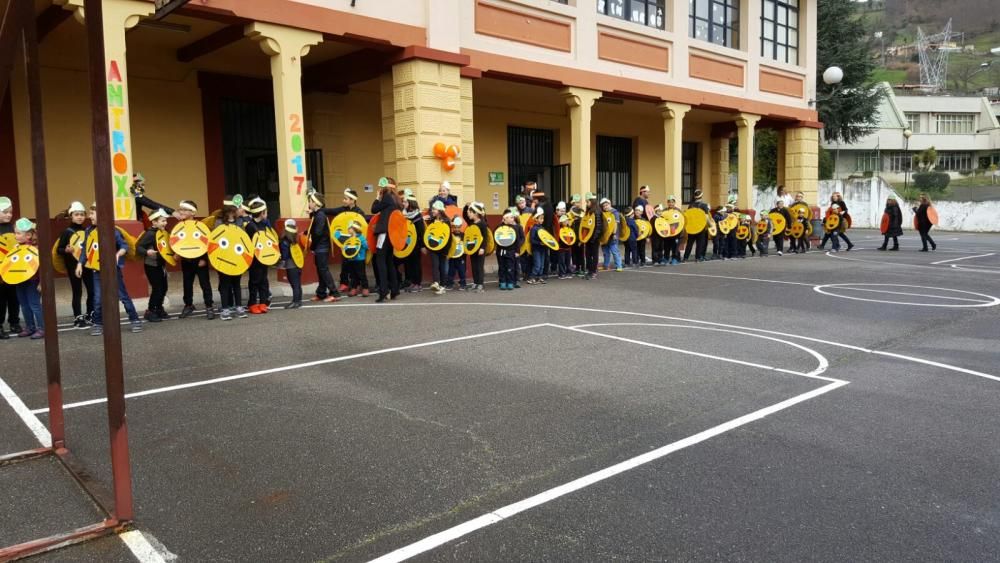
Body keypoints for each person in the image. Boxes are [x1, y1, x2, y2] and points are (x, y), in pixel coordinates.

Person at [76, 203, 143, 335]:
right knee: (98, 298)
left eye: (92, 214)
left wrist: (119, 253)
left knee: (123, 296)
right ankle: (97, 323)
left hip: (113, 270)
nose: (89, 216)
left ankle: (135, 320)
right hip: (96, 270)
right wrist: (80, 264)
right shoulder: (89, 231)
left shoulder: (112, 230)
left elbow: (124, 245)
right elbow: (85, 249)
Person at [175, 200, 216, 320]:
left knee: (205, 284)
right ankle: (188, 305)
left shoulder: (200, 226)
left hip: (199, 260)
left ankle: (209, 306)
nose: (181, 211)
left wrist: (204, 259)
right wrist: (177, 253)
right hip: (186, 260)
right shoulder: (180, 226)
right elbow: (178, 241)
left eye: (184, 209)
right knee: (187, 284)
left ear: (192, 212)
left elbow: (207, 242)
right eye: (180, 209)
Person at [57, 201, 93, 327]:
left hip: (87, 265)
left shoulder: (87, 231)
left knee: (92, 290)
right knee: (77, 291)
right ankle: (78, 317)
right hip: (73, 266)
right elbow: (59, 249)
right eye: (77, 214)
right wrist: (66, 250)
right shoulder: (67, 232)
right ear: (71, 216)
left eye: (82, 214)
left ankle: (90, 314)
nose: (80, 217)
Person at [320, 188, 362, 294]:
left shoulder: (359, 212)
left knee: (355, 265)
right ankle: (344, 283)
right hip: (344, 242)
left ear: (352, 200)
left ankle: (356, 284)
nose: (344, 201)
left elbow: (362, 227)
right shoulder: (343, 209)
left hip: (355, 242)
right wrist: (318, 210)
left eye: (346, 199)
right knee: (345, 263)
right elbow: (330, 211)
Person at [212, 201, 246, 321]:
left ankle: (239, 307)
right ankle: (225, 309)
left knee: (237, 284)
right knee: (225, 285)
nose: (235, 212)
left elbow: (244, 239)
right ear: (228, 211)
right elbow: (215, 239)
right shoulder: (219, 222)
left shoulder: (239, 222)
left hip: (237, 257)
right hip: (224, 257)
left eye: (235, 210)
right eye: (233, 210)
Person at [135, 208, 170, 322]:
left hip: (161, 265)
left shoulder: (163, 233)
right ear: (154, 222)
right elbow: (139, 247)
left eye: (165, 220)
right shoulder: (149, 234)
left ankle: (159, 308)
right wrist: (147, 252)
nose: (165, 223)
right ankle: (150, 311)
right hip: (152, 265)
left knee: (164, 288)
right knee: (157, 288)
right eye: (162, 221)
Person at [306, 191, 342, 303]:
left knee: (324, 270)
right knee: (321, 270)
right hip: (320, 247)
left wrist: (312, 246)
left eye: (311, 201)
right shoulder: (318, 214)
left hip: (321, 247)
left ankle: (334, 293)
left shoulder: (320, 215)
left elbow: (317, 233)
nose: (309, 203)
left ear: (315, 203)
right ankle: (321, 293)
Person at [370, 179, 402, 302]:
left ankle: (384, 291)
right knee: (389, 261)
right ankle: (394, 290)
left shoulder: (387, 197)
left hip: (384, 233)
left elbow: (374, 209)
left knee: (380, 261)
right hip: (392, 234)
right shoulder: (396, 199)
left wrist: (377, 198)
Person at [12, 218, 43, 339]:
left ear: (29, 235)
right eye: (15, 233)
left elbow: (41, 267)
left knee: (34, 305)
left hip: (32, 282)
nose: (16, 235)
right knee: (24, 305)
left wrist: (42, 282)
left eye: (18, 233)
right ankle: (30, 327)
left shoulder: (35, 249)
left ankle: (42, 328)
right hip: (20, 281)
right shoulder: (16, 248)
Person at [243, 197, 271, 314]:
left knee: (264, 280)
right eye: (265, 211)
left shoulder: (264, 225)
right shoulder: (250, 226)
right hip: (255, 259)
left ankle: (263, 302)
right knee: (254, 281)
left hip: (264, 258)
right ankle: (252, 303)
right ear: (261, 213)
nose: (267, 213)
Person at [0, 196, 22, 337]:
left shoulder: (15, 228)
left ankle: (14, 322)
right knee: (0, 300)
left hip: (14, 270)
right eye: (5, 212)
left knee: (14, 298)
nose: (9, 214)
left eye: (10, 212)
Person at [401, 192, 424, 292]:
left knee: (416, 264)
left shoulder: (417, 216)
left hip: (416, 245)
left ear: (410, 203)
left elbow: (421, 232)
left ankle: (418, 283)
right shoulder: (404, 214)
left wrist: (422, 246)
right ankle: (412, 282)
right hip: (407, 243)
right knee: (409, 264)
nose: (403, 203)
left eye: (405, 202)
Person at [426, 201, 450, 295]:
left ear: (440, 210)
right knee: (435, 265)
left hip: (443, 248)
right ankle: (436, 282)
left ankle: (443, 286)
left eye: (434, 209)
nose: (432, 211)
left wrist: (447, 250)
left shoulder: (446, 221)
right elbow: (428, 233)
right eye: (432, 209)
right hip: (433, 247)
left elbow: (448, 237)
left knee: (442, 267)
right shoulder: (432, 221)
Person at [496, 209, 523, 290]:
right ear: (505, 219)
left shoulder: (514, 228)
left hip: (511, 251)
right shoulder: (499, 227)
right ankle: (503, 282)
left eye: (513, 217)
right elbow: (496, 237)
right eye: (511, 217)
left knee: (510, 268)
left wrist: (517, 251)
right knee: (502, 267)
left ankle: (510, 282)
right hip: (501, 252)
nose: (512, 219)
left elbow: (518, 241)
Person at [278, 219, 302, 309]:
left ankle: (295, 302)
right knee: (297, 284)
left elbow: (285, 255)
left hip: (290, 265)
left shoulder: (284, 241)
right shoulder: (294, 239)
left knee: (294, 284)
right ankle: (298, 300)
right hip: (298, 264)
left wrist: (281, 263)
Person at [342, 221, 370, 296]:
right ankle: (354, 289)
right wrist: (344, 248)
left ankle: (365, 288)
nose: (348, 230)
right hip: (351, 259)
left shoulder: (361, 237)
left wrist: (363, 243)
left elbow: (367, 246)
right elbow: (346, 247)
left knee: (362, 274)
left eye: (349, 228)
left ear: (354, 229)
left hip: (360, 259)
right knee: (353, 275)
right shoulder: (349, 238)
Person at [683, 189, 710, 262]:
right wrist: (710, 225)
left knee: (690, 243)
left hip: (691, 228)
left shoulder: (690, 205)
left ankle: (685, 257)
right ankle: (697, 258)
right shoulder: (704, 205)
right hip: (701, 227)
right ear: (701, 196)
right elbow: (706, 217)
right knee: (700, 243)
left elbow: (687, 216)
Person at [466, 202, 488, 293]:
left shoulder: (482, 224)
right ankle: (475, 282)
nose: (468, 214)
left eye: (470, 212)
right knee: (474, 266)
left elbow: (485, 237)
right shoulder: (472, 223)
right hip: (473, 248)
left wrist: (482, 248)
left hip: (480, 249)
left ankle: (480, 284)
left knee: (479, 266)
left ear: (475, 213)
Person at [583, 193, 603, 280]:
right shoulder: (589, 211)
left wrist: (594, 238)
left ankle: (593, 272)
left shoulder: (597, 211)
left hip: (594, 238)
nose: (586, 203)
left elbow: (598, 226)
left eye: (587, 202)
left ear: (592, 201)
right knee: (588, 254)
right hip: (588, 237)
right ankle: (589, 270)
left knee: (594, 255)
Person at [445, 215, 468, 291]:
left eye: (458, 227)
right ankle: (449, 284)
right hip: (452, 256)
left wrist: (465, 251)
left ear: (460, 226)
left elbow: (465, 245)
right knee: (451, 271)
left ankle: (463, 284)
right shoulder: (450, 235)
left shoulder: (463, 235)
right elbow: (448, 246)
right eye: (455, 227)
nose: (456, 229)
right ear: (452, 227)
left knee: (462, 271)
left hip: (461, 257)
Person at [599, 198, 622, 272]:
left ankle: (619, 265)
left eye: (607, 205)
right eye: (604, 206)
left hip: (612, 235)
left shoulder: (614, 212)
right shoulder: (602, 213)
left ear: (610, 204)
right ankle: (606, 265)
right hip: (605, 236)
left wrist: (614, 233)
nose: (605, 207)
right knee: (605, 252)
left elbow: (616, 223)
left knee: (614, 251)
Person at [568, 195, 585, 276]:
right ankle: (576, 267)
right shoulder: (569, 213)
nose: (577, 204)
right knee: (574, 253)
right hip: (572, 236)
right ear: (572, 203)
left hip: (580, 237)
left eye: (578, 202)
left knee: (581, 253)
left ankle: (582, 268)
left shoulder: (582, 211)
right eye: (575, 202)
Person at [662, 196, 682, 265]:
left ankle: (675, 258)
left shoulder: (678, 211)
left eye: (672, 202)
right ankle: (666, 258)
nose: (671, 204)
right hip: (667, 232)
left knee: (675, 246)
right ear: (667, 203)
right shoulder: (664, 211)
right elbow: (661, 221)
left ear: (674, 203)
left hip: (676, 231)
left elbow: (681, 221)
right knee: (666, 245)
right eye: (669, 202)